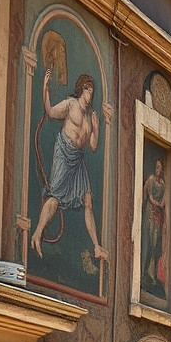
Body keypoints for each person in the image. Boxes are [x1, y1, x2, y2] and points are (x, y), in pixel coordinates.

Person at [32, 70, 108, 262]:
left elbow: (92, 145)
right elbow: (49, 111)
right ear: (83, 89)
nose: (91, 95)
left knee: (88, 201)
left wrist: (97, 129)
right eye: (89, 90)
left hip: (78, 160)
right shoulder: (70, 104)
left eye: (92, 91)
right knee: (55, 196)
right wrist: (45, 88)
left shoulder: (90, 118)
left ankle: (97, 246)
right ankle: (37, 233)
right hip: (64, 153)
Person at [141, 156, 167, 291]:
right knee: (150, 243)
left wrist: (162, 205)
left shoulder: (162, 184)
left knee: (156, 246)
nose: (159, 170)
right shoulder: (151, 180)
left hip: (158, 217)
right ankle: (145, 273)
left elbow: (163, 200)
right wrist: (158, 204)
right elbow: (149, 197)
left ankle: (153, 275)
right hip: (150, 215)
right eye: (157, 167)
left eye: (161, 168)